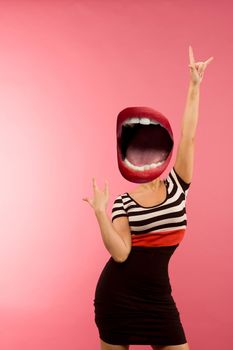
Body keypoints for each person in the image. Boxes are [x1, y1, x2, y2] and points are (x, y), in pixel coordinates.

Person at [83, 46, 213, 350]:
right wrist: (101, 213)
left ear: (163, 151)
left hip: (158, 299)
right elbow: (120, 254)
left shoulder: (178, 185)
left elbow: (189, 136)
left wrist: (194, 87)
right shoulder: (124, 201)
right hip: (117, 297)